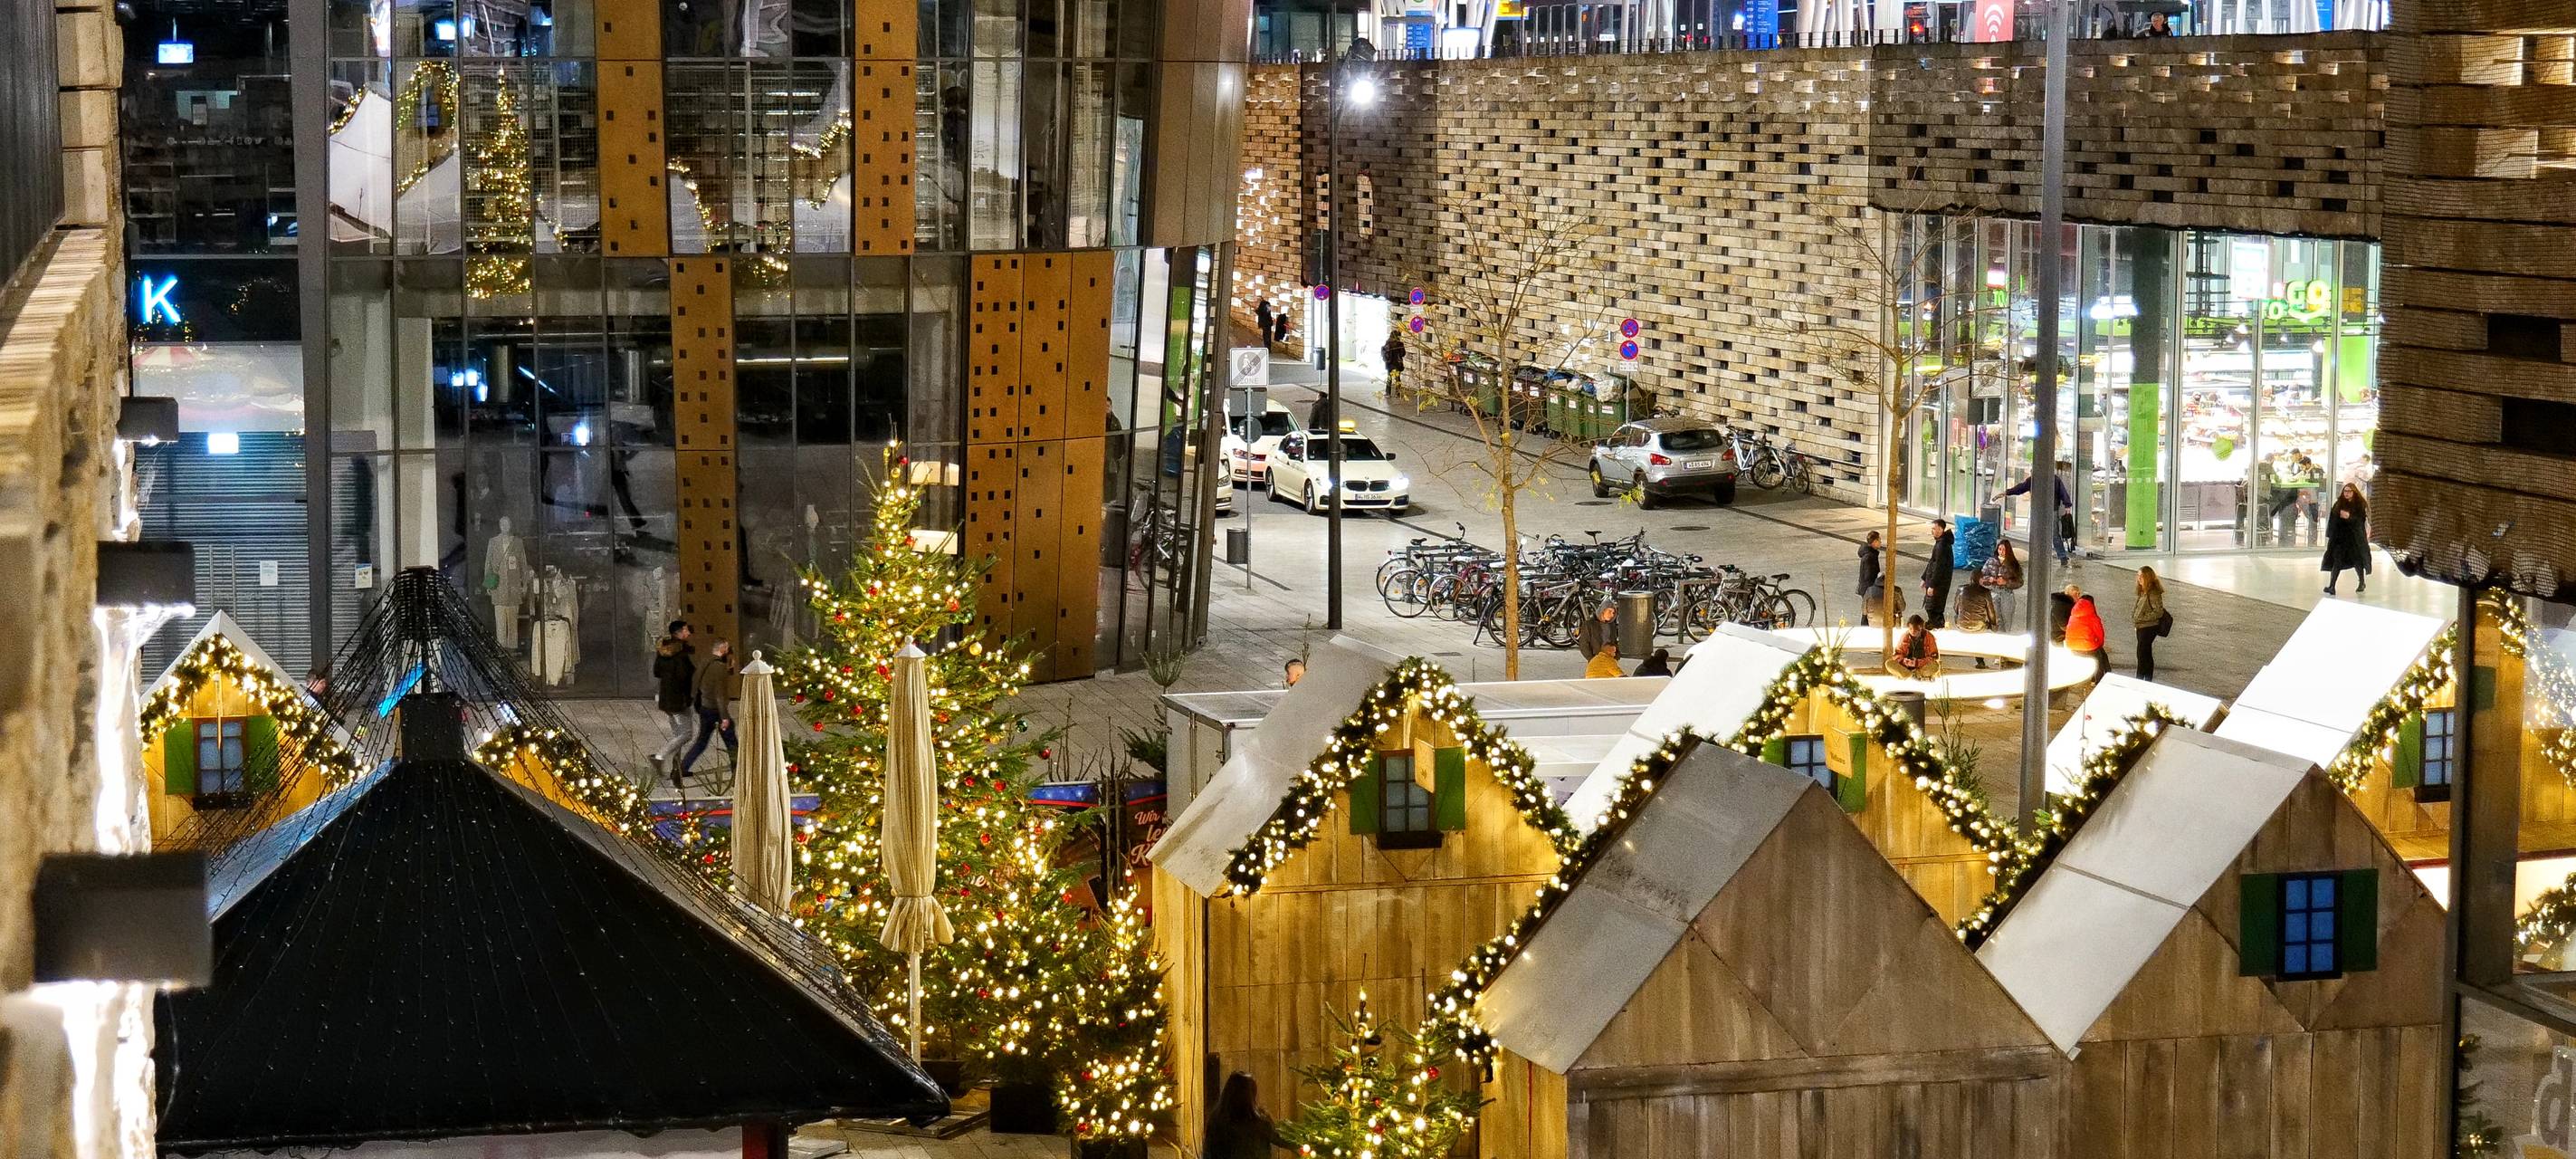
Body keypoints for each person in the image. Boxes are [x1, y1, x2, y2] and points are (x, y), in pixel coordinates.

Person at [679, 637, 738, 778]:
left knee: (702, 741)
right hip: (716, 710)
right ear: (723, 649)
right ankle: (737, 770)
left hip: (705, 708)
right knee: (731, 742)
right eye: (727, 648)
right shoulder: (719, 668)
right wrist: (724, 717)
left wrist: (694, 699)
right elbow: (719, 694)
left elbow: (696, 682)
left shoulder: (705, 662)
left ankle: (683, 768)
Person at [648, 619, 696, 783]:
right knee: (687, 734)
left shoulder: (663, 651)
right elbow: (684, 677)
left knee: (678, 736)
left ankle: (677, 771)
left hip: (666, 697)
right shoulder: (680, 654)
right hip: (679, 699)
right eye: (685, 630)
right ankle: (659, 756)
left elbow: (656, 672)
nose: (688, 633)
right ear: (678, 633)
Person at [2002, 463, 2076, 565]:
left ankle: (2039, 556)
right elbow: (2063, 492)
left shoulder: (2034, 480)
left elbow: (2020, 488)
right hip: (2051, 509)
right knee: (2054, 534)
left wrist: (2007, 492)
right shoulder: (2054, 479)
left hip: (2039, 510)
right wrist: (2067, 505)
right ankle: (2062, 556)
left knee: (2038, 533)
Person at [1205, 1072, 1290, 1159]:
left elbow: (1208, 1151)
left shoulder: (1216, 1119)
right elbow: (1280, 1140)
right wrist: (1301, 1142)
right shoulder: (1259, 1121)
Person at [2322, 482, 2372, 596]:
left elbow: (2360, 521)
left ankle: (2362, 582)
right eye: (2345, 491)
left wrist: (2349, 517)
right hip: (2341, 539)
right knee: (2337, 561)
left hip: (2354, 539)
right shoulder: (2339, 504)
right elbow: (2333, 519)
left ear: (2354, 492)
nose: (2347, 493)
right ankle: (2332, 586)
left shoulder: (2359, 505)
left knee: (2357, 561)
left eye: (2349, 491)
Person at [2062, 584, 2110, 682]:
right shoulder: (2092, 616)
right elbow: (2100, 634)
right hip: (2087, 647)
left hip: (2071, 646)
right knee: (2099, 659)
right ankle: (2098, 680)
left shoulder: (2073, 613)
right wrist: (2099, 645)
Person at [2132, 566, 2171, 681]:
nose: (2139, 579)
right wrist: (2135, 617)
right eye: (2138, 576)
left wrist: (2143, 618)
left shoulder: (2153, 592)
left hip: (2148, 628)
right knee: (2145, 653)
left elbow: (2158, 611)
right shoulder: (2143, 591)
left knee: (2142, 654)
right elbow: (2138, 606)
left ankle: (2140, 679)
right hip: (2141, 626)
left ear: (2147, 577)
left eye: (2141, 576)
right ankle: (2146, 679)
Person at [1980, 540, 2025, 632]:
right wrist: (1989, 580)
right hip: (1993, 593)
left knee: (2007, 620)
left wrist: (2006, 582)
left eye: (2004, 550)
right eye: (2000, 549)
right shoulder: (1990, 561)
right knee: (1996, 619)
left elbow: (2020, 581)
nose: (2001, 552)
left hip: (2007, 594)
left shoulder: (2013, 564)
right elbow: (1981, 577)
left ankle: (2006, 636)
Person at [1921, 519, 1955, 629]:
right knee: (1933, 607)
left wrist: (1932, 585)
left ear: (1940, 529)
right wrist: (1924, 578)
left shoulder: (1942, 546)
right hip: (1937, 582)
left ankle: (1937, 626)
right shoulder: (1940, 543)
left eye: (1934, 528)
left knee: (1933, 607)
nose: (1932, 531)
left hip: (1940, 583)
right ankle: (1935, 625)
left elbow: (1939, 567)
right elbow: (1932, 562)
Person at [1890, 615, 1941, 679]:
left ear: (1921, 628)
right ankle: (1908, 674)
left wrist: (1918, 663)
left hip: (1923, 667)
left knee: (1935, 666)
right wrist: (1905, 661)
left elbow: (1934, 657)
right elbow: (1897, 654)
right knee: (1889, 663)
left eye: (1916, 629)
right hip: (1907, 667)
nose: (1913, 631)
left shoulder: (1929, 637)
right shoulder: (1904, 637)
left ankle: (1917, 673)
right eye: (1910, 629)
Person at [1856, 532, 1884, 626]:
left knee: (1868, 609)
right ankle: (1864, 627)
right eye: (1879, 540)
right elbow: (1869, 576)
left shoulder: (1871, 554)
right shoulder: (1870, 556)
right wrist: (1878, 579)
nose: (1881, 542)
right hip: (1868, 588)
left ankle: (1866, 626)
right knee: (1868, 610)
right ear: (1874, 542)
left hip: (1866, 587)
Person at [1381, 330, 1407, 394]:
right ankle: (1398, 393)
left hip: (1389, 363)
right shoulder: (1400, 343)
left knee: (1389, 378)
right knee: (1397, 378)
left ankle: (1388, 393)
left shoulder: (1387, 342)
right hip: (1397, 364)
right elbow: (1403, 354)